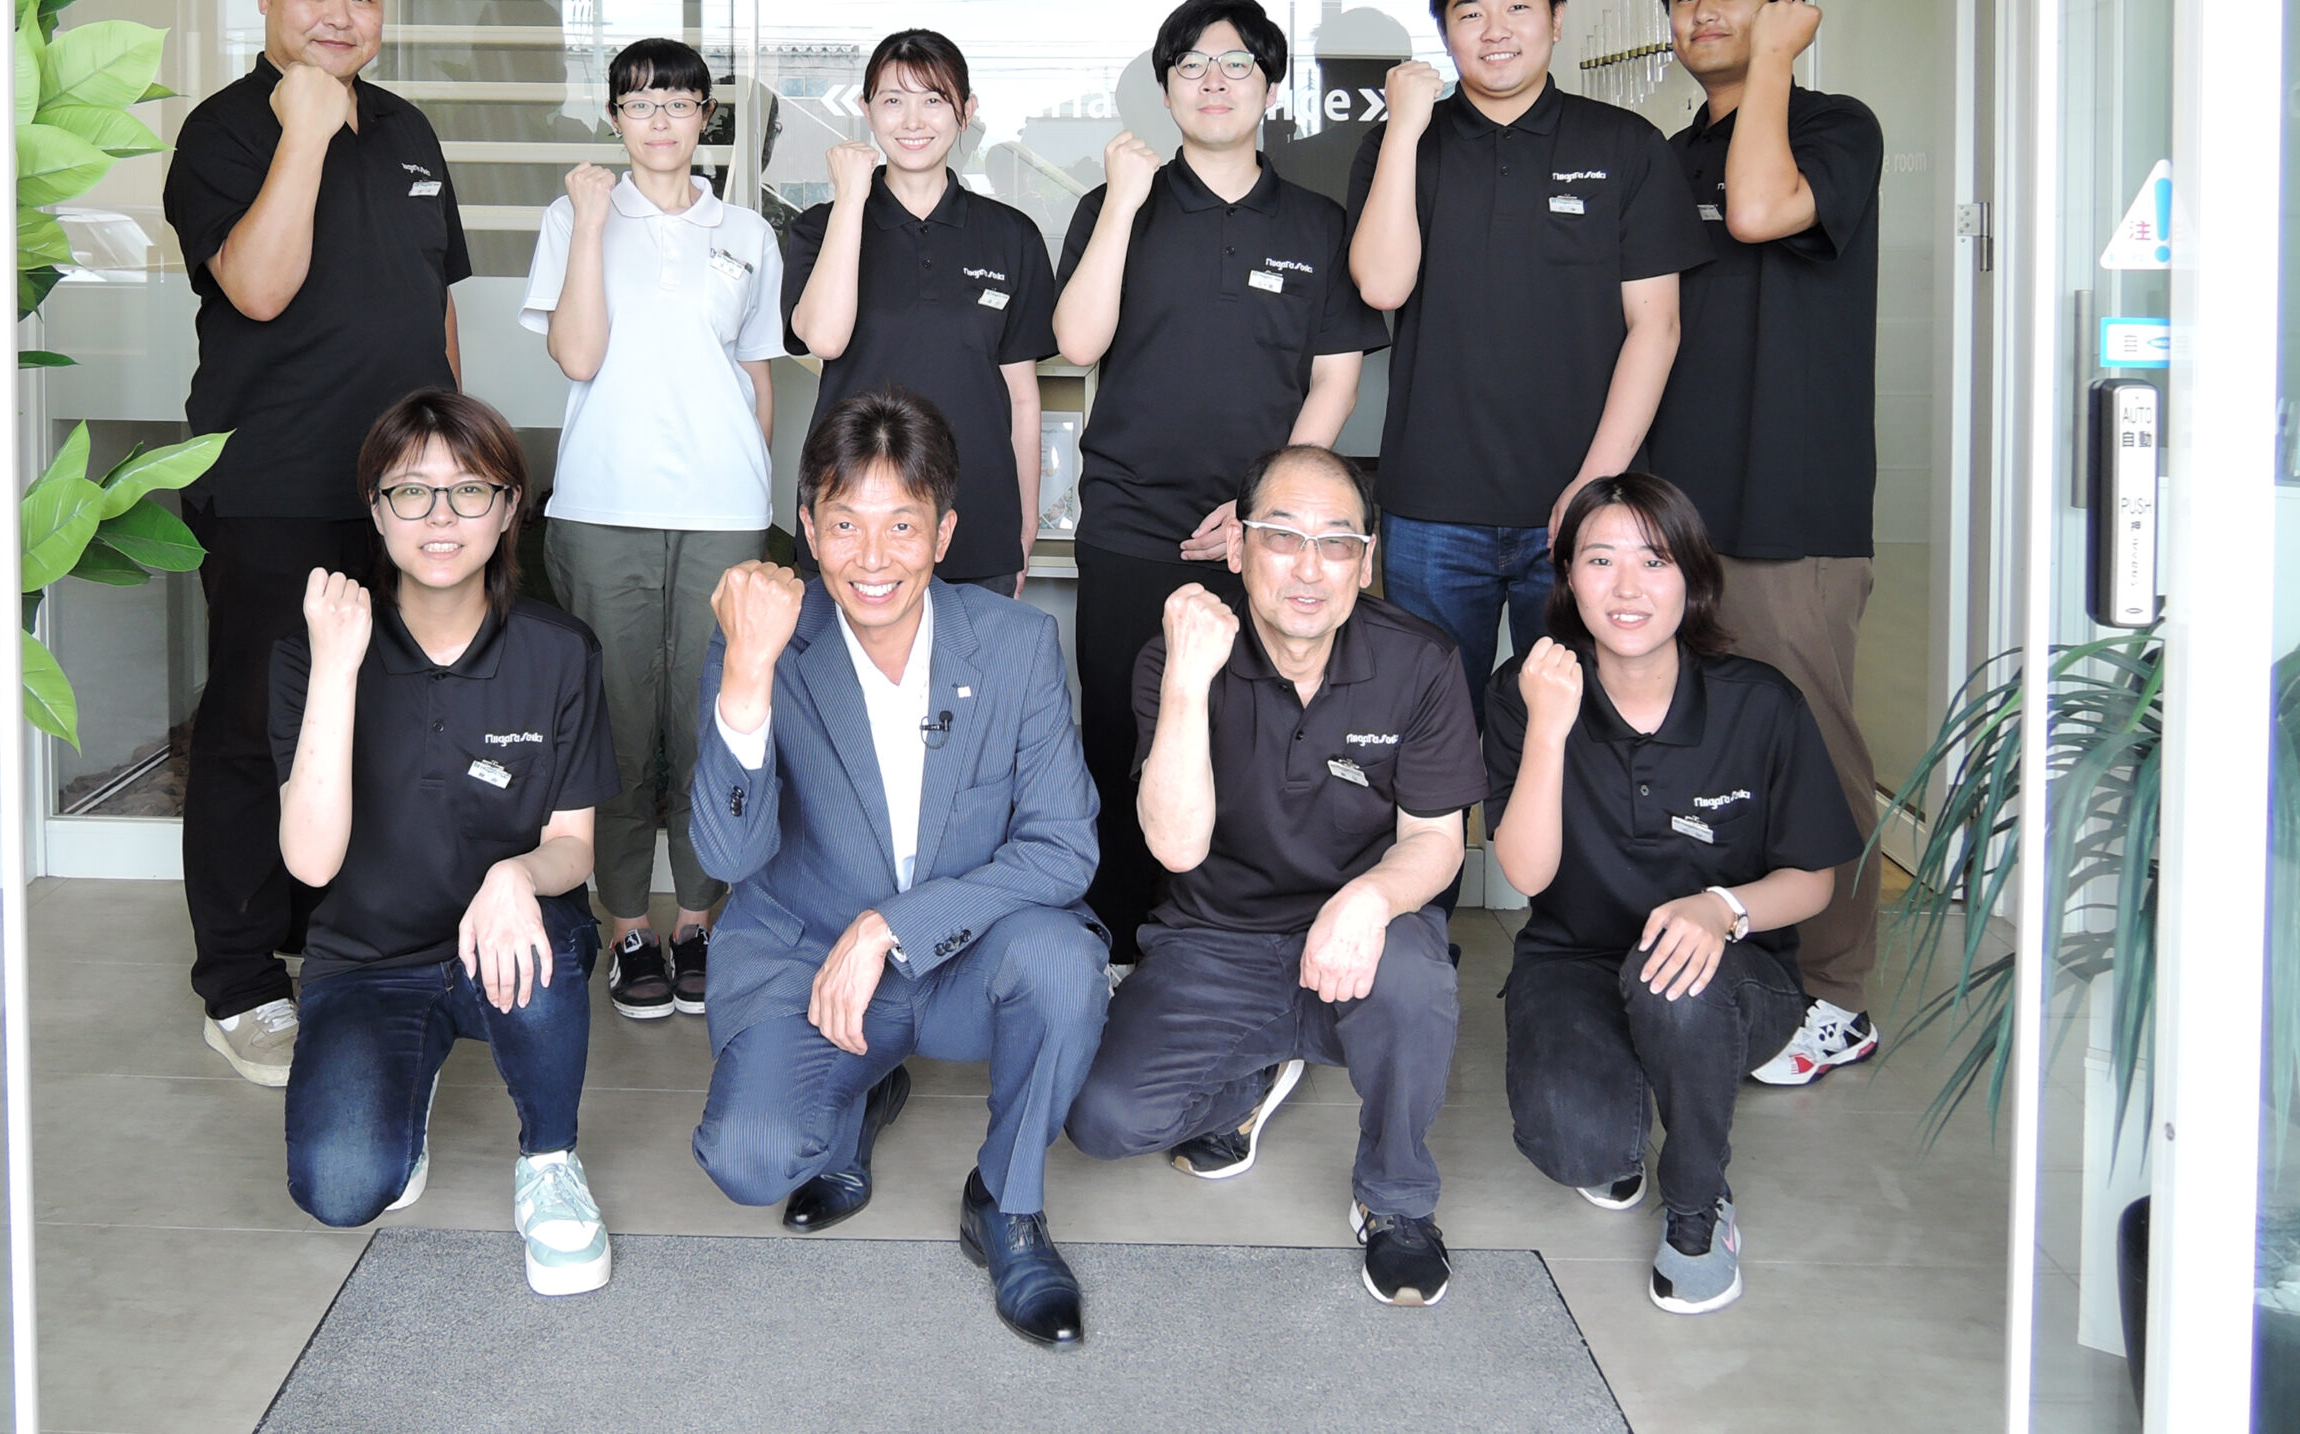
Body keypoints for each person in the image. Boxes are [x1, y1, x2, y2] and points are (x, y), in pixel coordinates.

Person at [687, 390, 1109, 1348]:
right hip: (809, 955)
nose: (872, 558)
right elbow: (726, 856)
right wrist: (748, 676)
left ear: (944, 534)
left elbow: (1063, 847)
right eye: (845, 524)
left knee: (1062, 964)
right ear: (809, 531)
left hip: (964, 956)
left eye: (902, 526)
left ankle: (1006, 1202)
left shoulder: (1015, 645)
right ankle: (860, 1092)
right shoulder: (765, 640)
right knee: (750, 1161)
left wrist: (892, 928)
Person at [162, 0, 468, 1086]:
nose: (342, 15)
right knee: (252, 729)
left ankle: (339, 937)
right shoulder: (228, 130)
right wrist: (303, 125)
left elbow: (434, 305)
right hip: (274, 482)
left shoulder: (409, 130)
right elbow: (257, 285)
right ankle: (240, 982)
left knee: (383, 719)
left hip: (404, 491)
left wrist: (452, 463)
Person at [1066, 446, 1484, 1309]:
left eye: (1336, 543)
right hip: (1214, 940)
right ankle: (1254, 1073)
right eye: (1283, 536)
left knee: (1416, 978)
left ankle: (1397, 1199)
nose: (1308, 567)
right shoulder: (1176, 655)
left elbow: (1437, 842)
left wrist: (1367, 899)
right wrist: (1188, 681)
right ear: (1238, 546)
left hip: (1360, 940)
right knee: (1103, 1121)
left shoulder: (1421, 662)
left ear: (1366, 561)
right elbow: (1176, 848)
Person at [1053, 0, 1389, 963]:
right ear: (1165, 89)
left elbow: (1334, 380)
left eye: (1237, 63)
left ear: (1269, 87)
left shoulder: (1316, 223)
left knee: (1260, 740)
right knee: (1121, 736)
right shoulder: (1117, 205)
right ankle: (1123, 946)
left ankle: (1238, 941)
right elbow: (1078, 340)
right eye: (1192, 65)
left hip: (1266, 540)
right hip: (1131, 523)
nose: (1214, 81)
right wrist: (1123, 200)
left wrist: (1262, 513)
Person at [270, 390, 620, 1297]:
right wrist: (339, 667)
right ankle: (405, 1079)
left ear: (509, 510)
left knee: (542, 937)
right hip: (367, 960)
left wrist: (515, 876)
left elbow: (573, 845)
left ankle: (550, 1160)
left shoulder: (558, 652)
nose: (439, 518)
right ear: (376, 510)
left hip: (504, 943)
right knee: (342, 1190)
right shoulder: (313, 651)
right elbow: (310, 862)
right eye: (410, 492)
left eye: (469, 492)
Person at [1484, 473, 1858, 1316]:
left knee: (1675, 986)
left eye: (1653, 561)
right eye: (1600, 560)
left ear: (1692, 575)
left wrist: (1721, 910)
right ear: (1567, 577)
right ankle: (1626, 1095)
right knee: (1577, 1148)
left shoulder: (1760, 704)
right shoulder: (1526, 693)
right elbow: (1527, 875)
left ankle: (1698, 1204)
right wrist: (1549, 728)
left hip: (1732, 972)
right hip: (1575, 957)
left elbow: (1813, 880)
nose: (1626, 588)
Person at [1346, 0, 1709, 763]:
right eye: (1469, 13)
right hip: (1433, 507)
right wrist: (1403, 128)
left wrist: (1593, 488)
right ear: (1445, 32)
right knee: (1426, 738)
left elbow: (1657, 326)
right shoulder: (1405, 144)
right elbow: (1382, 286)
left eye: (1517, 6)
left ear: (1556, 19)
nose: (1496, 30)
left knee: (1588, 737)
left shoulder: (1624, 146)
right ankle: (1432, 862)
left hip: (1586, 505)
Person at [1643, 0, 1889, 1086]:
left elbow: (1759, 212)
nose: (1702, 13)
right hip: (1678, 515)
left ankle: (1836, 993)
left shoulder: (1835, 127)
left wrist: (1778, 64)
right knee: (1701, 749)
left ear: (1783, 7)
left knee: (1814, 748)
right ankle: (1732, 961)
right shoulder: (1667, 158)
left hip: (1793, 510)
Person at [520, 37, 786, 1023]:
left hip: (723, 512)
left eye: (678, 102)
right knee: (620, 725)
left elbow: (756, 372)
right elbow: (577, 355)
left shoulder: (747, 231)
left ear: (706, 115)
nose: (660, 120)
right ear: (615, 117)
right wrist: (593, 223)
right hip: (604, 506)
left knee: (713, 719)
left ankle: (700, 919)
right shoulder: (573, 216)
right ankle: (629, 923)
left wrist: (749, 489)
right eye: (639, 103)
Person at [783, 28, 1056, 596]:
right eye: (892, 100)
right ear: (866, 111)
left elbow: (1023, 397)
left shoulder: (1011, 235)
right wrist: (852, 199)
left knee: (975, 657)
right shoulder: (820, 227)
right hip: (854, 522)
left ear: (966, 112)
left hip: (979, 519)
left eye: (933, 99)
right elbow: (825, 339)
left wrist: (1024, 522)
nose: (913, 120)